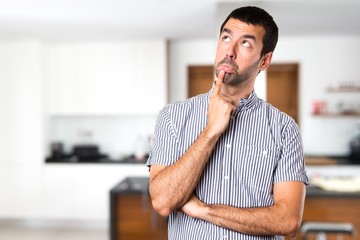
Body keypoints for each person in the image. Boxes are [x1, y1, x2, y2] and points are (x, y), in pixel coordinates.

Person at [146, 6, 309, 240]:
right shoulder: (172, 116)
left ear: (264, 60)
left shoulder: (284, 129)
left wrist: (205, 210)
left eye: (245, 43)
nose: (229, 51)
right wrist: (211, 130)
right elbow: (162, 202)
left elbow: (288, 221)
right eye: (225, 37)